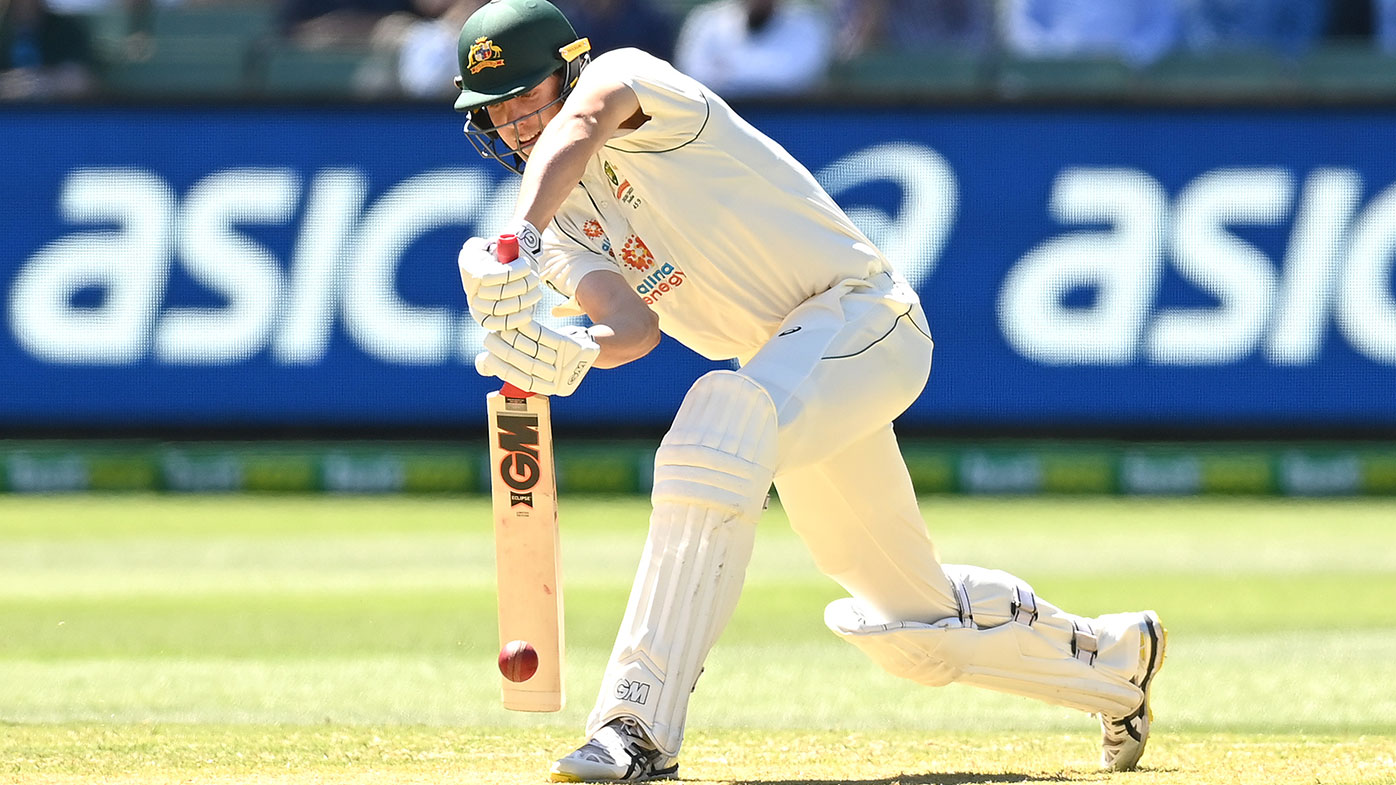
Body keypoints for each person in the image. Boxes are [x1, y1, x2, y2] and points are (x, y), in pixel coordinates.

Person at [450, 0, 1168, 781]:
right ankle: (1115, 663)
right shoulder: (559, 230)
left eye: (530, 98)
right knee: (914, 631)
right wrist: (575, 348)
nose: (520, 125)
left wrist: (510, 239)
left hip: (865, 318)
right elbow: (633, 327)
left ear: (570, 70)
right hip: (787, 373)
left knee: (713, 426)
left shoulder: (628, 82)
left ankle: (634, 725)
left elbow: (585, 122)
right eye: (499, 110)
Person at [672, 0, 832, 98]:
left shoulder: (807, 24)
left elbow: (790, 78)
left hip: (785, 124)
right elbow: (694, 74)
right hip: (719, 125)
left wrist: (726, 70)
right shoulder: (707, 20)